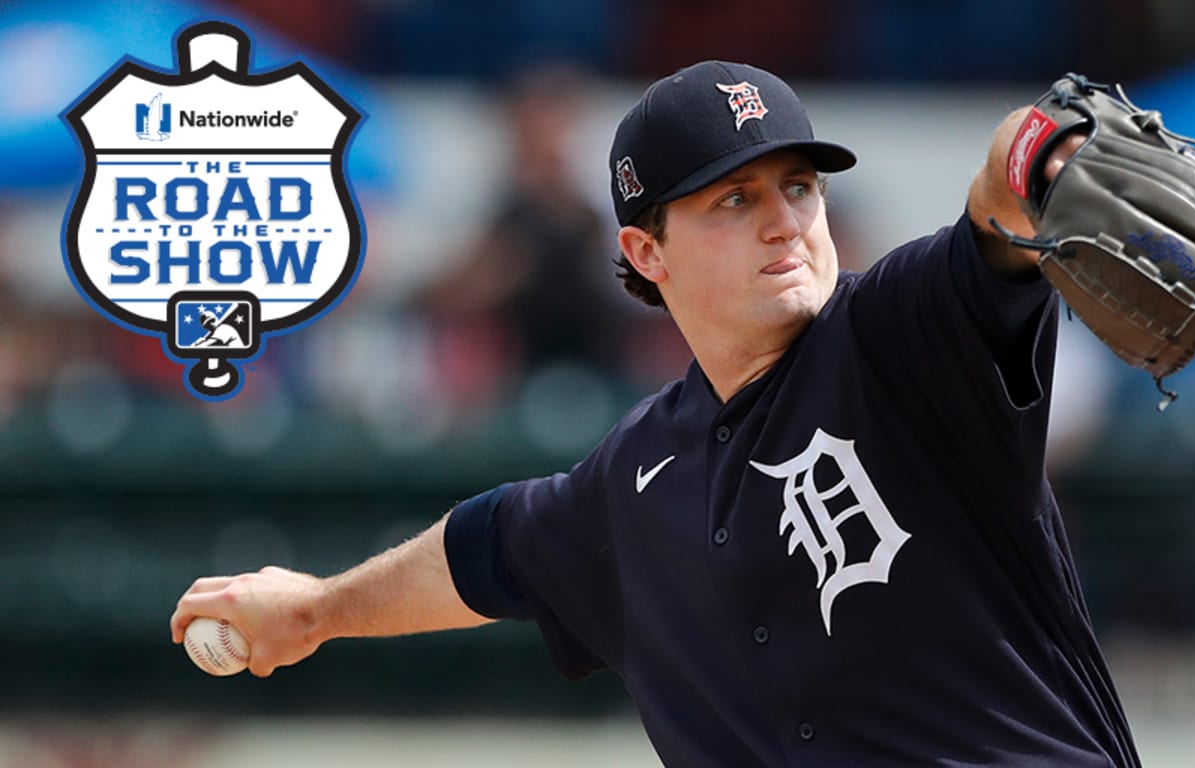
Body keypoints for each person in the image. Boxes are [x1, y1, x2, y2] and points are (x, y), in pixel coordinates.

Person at [172, 61, 1135, 766]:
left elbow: (999, 209)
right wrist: (316, 610)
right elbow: (486, 549)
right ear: (646, 251)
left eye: (800, 186)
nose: (783, 219)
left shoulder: (898, 337)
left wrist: (1041, 152)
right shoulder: (638, 476)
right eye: (734, 197)